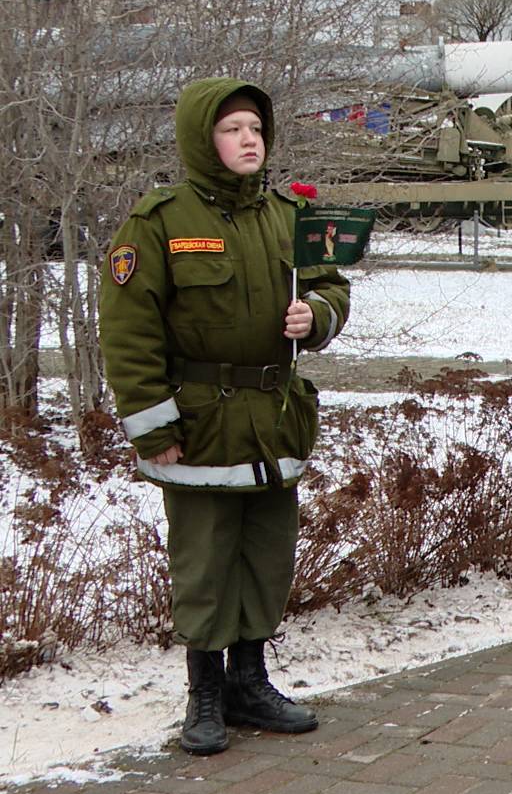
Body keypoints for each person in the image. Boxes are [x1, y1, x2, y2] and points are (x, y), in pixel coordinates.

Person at [99, 79, 352, 757]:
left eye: (256, 129)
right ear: (200, 140)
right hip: (201, 427)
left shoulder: (285, 216)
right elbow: (129, 334)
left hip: (273, 423)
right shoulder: (159, 223)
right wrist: (154, 428)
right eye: (232, 128)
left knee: (266, 558)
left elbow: (330, 283)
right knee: (205, 562)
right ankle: (204, 693)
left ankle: (250, 681)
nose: (248, 140)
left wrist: (317, 316)